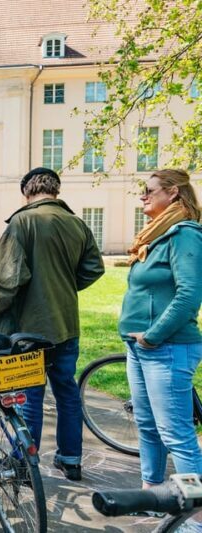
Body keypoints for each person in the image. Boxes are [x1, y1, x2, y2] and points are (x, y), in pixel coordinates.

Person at [0, 167, 104, 481]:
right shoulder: (77, 223)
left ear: (27, 192)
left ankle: (25, 465)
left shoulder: (22, 222)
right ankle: (71, 460)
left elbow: (9, 281)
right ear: (55, 190)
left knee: (31, 396)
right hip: (67, 323)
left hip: (30, 326)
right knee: (66, 392)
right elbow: (94, 268)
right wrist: (64, 287)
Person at [119, 169, 202, 489]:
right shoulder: (156, 235)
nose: (143, 195)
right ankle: (151, 495)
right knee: (148, 426)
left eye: (150, 190)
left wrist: (153, 335)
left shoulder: (184, 234)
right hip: (140, 347)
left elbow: (190, 295)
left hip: (166, 347)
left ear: (174, 193)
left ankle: (194, 516)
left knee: (176, 433)